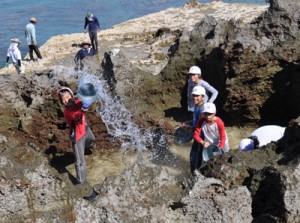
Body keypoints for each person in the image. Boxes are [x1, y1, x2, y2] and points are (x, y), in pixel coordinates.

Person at [58, 86, 95, 184]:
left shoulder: (77, 102)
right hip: (77, 137)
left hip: (86, 130)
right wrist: (84, 108)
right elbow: (76, 115)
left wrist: (86, 96)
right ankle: (81, 181)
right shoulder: (67, 112)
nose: (66, 100)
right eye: (63, 99)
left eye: (67, 97)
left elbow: (84, 99)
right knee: (80, 162)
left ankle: (87, 147)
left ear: (72, 95)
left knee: (92, 140)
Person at [192, 102, 230, 175]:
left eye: (210, 114)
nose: (207, 116)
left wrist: (219, 148)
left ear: (214, 113)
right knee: (206, 162)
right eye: (205, 114)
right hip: (208, 143)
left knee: (225, 160)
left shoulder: (219, 123)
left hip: (222, 144)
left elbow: (223, 137)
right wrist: (203, 142)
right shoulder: (201, 121)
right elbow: (196, 135)